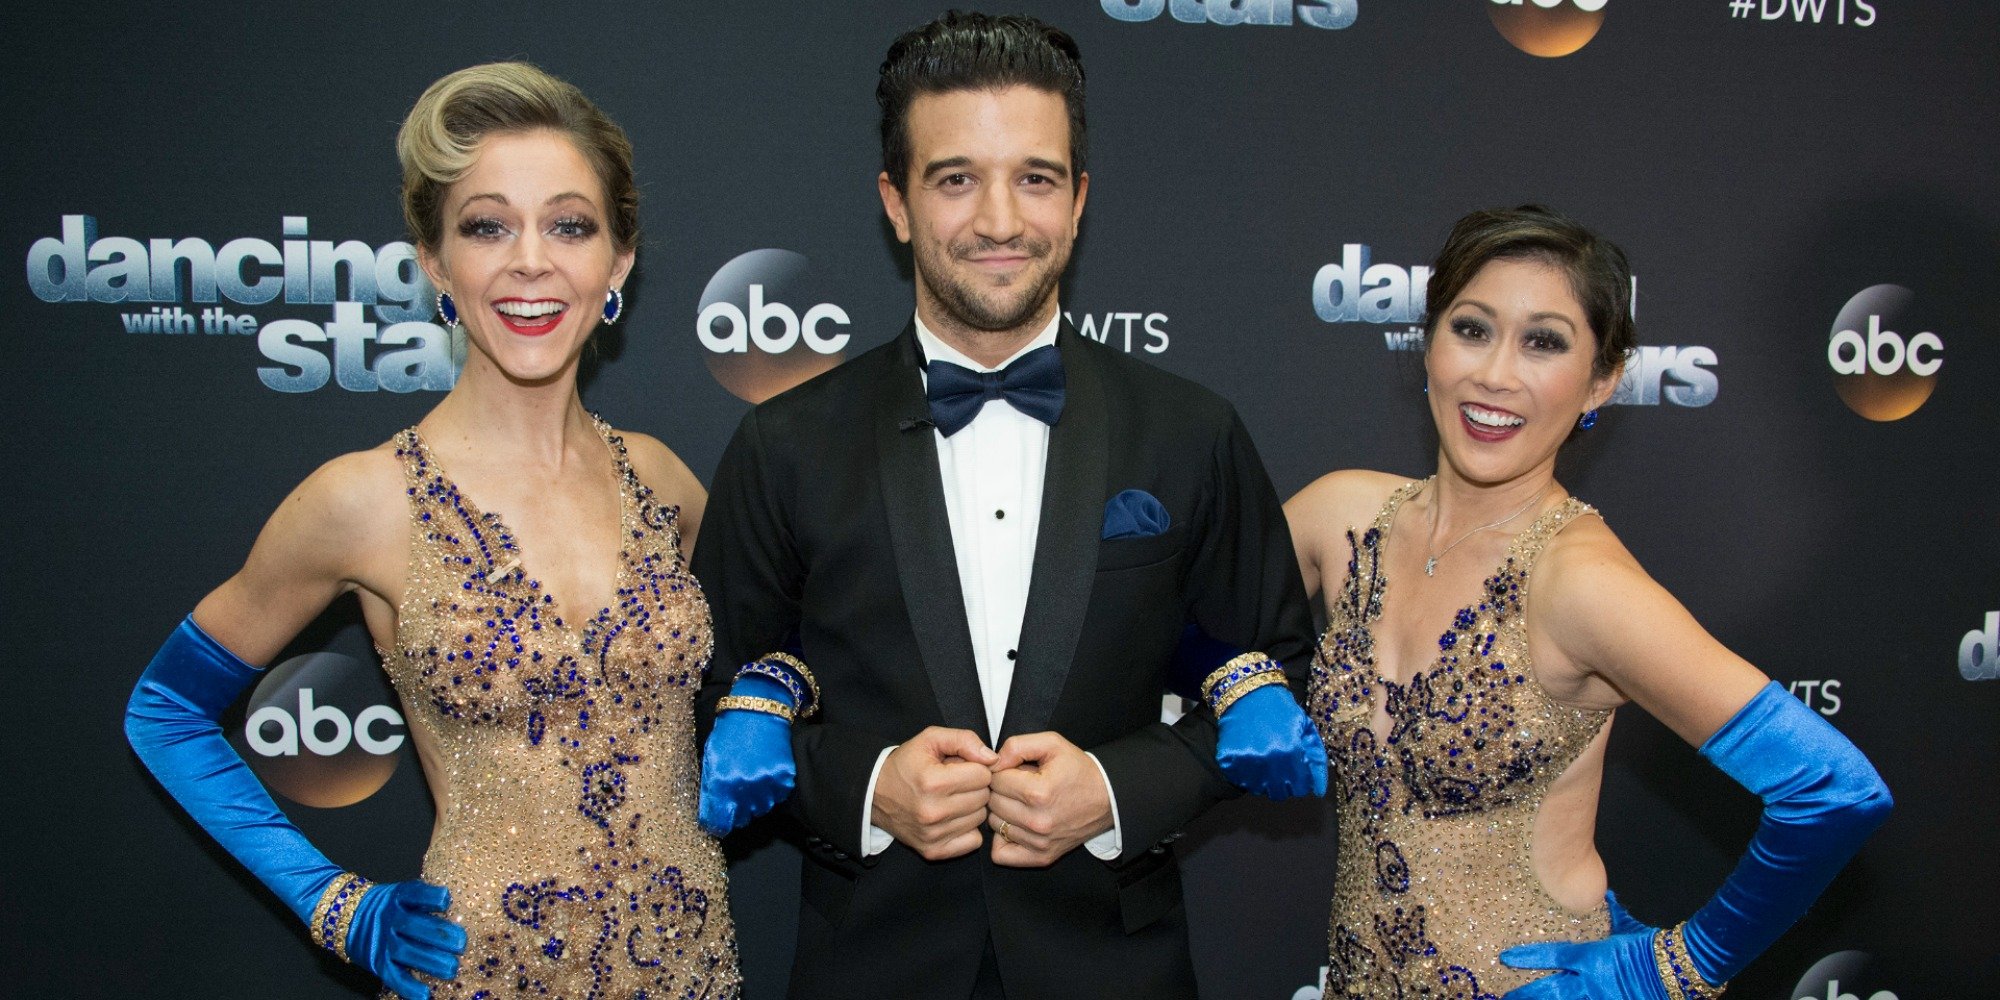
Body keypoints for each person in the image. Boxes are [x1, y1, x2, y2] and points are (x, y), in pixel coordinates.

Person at [690, 12, 1320, 1000]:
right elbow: (708, 697)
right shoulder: (786, 445)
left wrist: (1116, 789)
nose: (997, 220)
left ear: (1076, 199)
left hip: (1117, 967)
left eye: (1033, 177)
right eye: (955, 179)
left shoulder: (1189, 431)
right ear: (895, 203)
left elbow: (1275, 678)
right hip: (870, 966)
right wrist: (868, 787)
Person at [123, 63, 739, 999]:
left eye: (569, 224)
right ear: (435, 264)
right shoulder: (362, 501)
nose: (530, 259)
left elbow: (786, 641)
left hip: (689, 966)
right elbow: (165, 712)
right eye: (487, 225)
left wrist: (776, 690)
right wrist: (334, 904)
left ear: (618, 263)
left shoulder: (661, 480)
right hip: (481, 973)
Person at [1286, 205, 1892, 999]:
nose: (1495, 373)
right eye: (1472, 328)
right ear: (1427, 344)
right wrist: (1232, 682)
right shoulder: (1342, 516)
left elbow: (1835, 792)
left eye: (1544, 342)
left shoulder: (1579, 583)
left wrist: (1669, 968)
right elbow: (1194, 623)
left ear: (1601, 379)